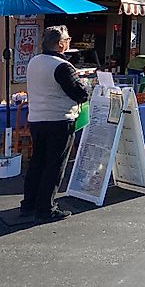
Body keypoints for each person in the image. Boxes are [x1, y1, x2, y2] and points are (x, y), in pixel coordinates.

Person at [20, 25, 90, 222]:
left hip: (37, 119)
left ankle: (29, 204)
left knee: (37, 163)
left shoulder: (34, 61)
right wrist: (84, 84)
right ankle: (46, 208)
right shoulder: (62, 66)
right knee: (54, 165)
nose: (69, 42)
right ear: (60, 44)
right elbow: (80, 93)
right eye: (67, 39)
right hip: (59, 120)